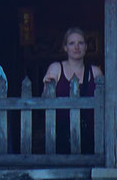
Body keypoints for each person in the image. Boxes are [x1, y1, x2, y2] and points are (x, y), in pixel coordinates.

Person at [42, 26, 101, 154]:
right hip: (61, 135)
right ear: (65, 47)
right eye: (72, 43)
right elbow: (45, 99)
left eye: (81, 43)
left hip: (91, 136)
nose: (76, 47)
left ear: (86, 46)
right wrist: (47, 85)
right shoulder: (56, 69)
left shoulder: (95, 72)